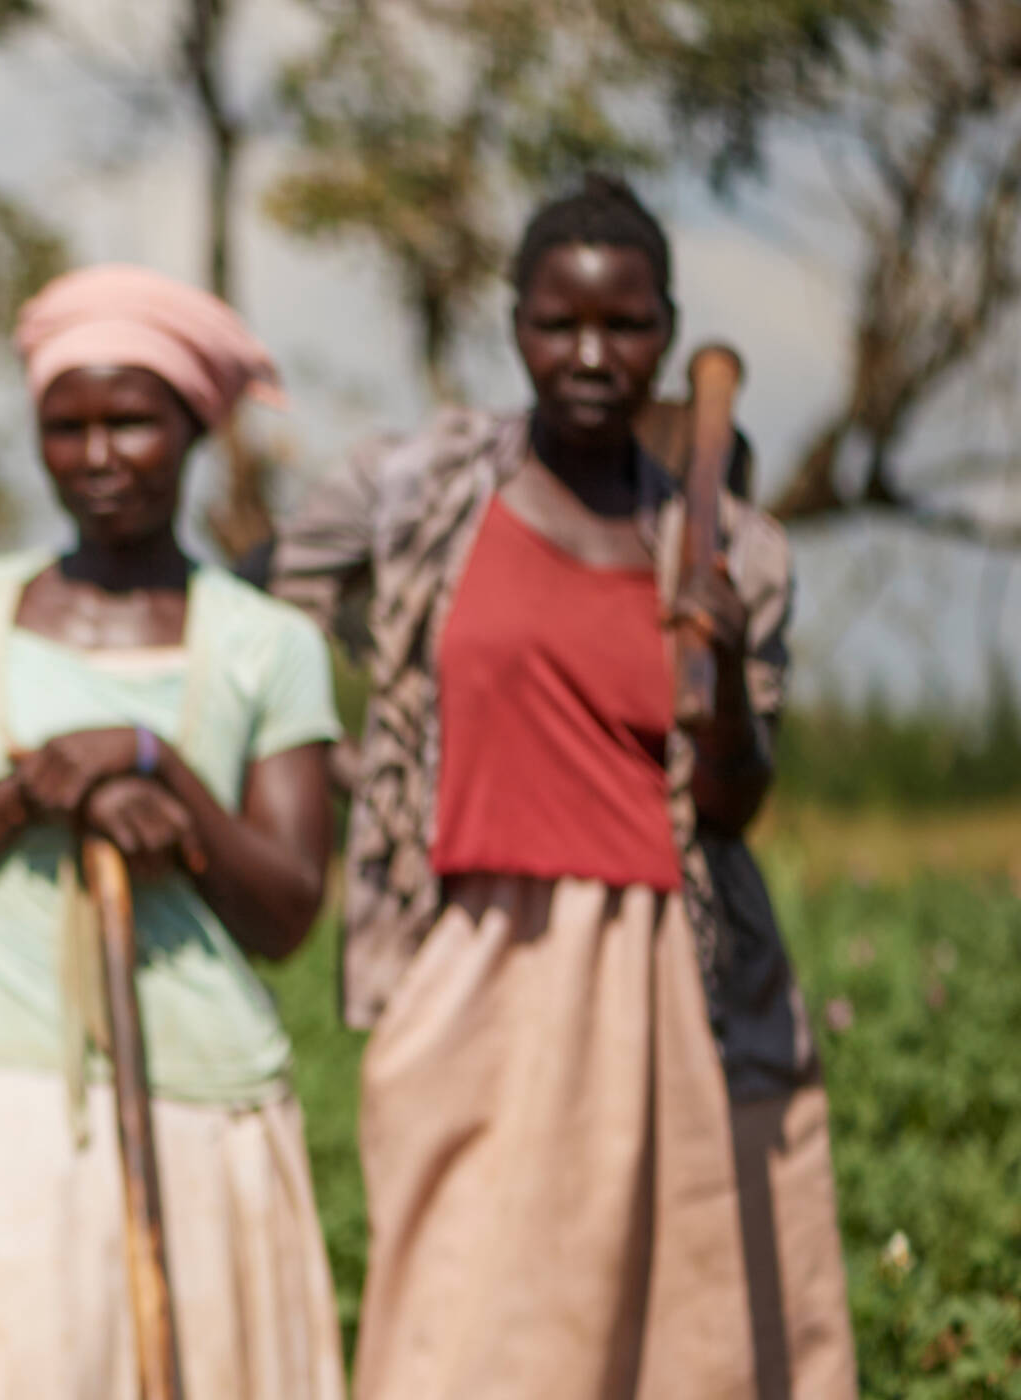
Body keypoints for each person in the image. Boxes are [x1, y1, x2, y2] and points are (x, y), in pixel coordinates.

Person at [272, 174, 852, 1399]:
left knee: (676, 1349)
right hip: (472, 963)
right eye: (557, 323)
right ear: (513, 326)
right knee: (455, 1340)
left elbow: (736, 803)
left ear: (667, 327)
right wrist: (364, 776)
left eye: (625, 324)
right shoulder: (419, 489)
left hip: (672, 985)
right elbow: (264, 615)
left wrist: (730, 667)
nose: (590, 354)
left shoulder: (734, 548)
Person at [0, 264, 345, 1400]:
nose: (99, 455)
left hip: (199, 1102)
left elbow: (288, 908)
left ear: (192, 431)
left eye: (131, 423)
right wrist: (32, 792)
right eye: (67, 427)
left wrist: (161, 774)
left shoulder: (264, 643)